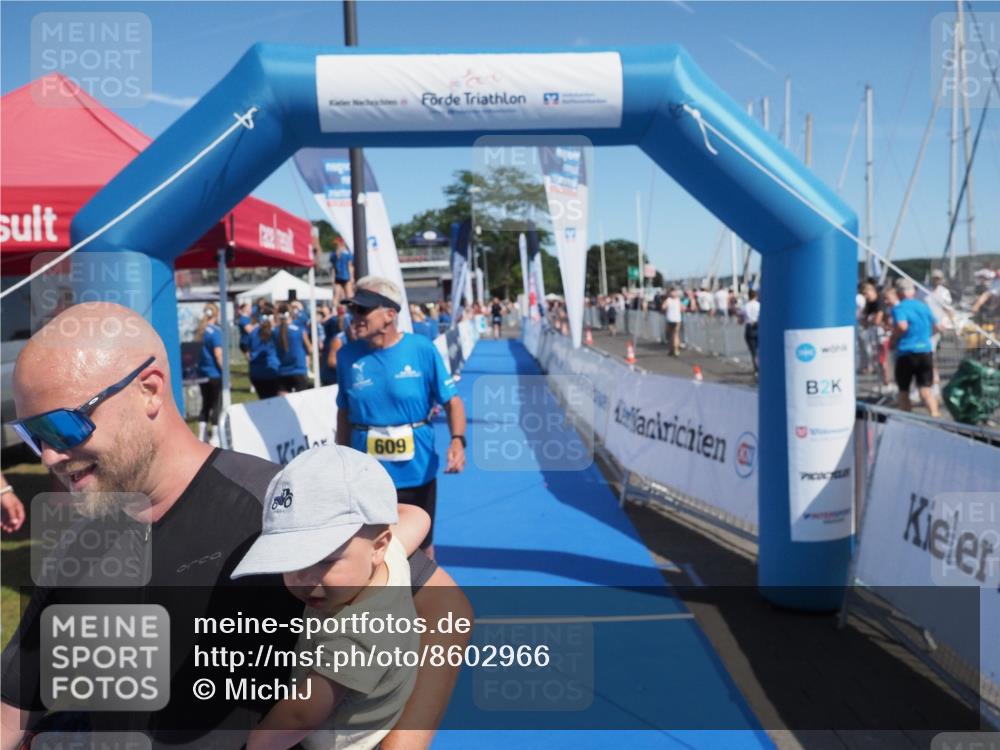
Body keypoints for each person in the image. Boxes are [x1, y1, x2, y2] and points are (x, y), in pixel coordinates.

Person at [1, 302, 471, 750]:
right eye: (33, 434)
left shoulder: (280, 508)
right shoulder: (78, 545)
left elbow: (448, 614)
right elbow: (12, 706)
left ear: (149, 390)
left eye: (64, 426)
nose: (49, 456)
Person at [234, 446, 428, 750]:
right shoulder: (387, 554)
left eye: (324, 560)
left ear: (378, 547)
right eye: (287, 559)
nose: (303, 578)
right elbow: (418, 516)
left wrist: (256, 744)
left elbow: (301, 716)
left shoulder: (358, 634)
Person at [335, 277, 467, 560]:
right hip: (366, 474)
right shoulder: (346, 356)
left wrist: (458, 440)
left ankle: (425, 588)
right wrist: (341, 458)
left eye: (362, 310)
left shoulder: (421, 349)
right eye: (352, 309)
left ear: (390, 314)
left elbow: (452, 402)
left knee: (420, 549)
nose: (354, 316)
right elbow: (344, 411)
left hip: (416, 471)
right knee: (368, 550)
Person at [890, 278, 940, 417]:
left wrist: (893, 339)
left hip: (906, 351)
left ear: (899, 293)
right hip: (925, 350)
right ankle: (935, 415)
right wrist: (925, 336)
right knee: (925, 389)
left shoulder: (899, 308)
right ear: (913, 292)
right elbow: (937, 326)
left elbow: (902, 326)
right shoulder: (924, 306)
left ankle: (906, 420)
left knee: (903, 390)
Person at [195, 303, 224, 444]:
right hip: (214, 374)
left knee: (205, 403)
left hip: (202, 373)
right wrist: (225, 371)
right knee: (216, 404)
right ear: (216, 315)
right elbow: (218, 355)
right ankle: (215, 436)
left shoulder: (200, 331)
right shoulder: (216, 332)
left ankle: (202, 435)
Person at [275, 302, 312, 394]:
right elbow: (310, 349)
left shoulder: (274, 331)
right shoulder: (299, 330)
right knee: (302, 401)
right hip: (298, 369)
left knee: (282, 401)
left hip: (282, 371)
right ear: (291, 314)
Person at [249, 304, 281, 399]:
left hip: (256, 373)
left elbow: (248, 349)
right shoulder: (276, 332)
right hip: (272, 371)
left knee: (263, 400)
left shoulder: (253, 332)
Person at [742, 289, 761, 378]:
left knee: (753, 352)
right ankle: (762, 368)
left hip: (749, 328)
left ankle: (757, 369)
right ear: (756, 296)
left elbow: (741, 318)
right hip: (759, 327)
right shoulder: (759, 305)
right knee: (760, 349)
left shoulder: (745, 306)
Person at [332, 239, 355, 304]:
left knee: (336, 295)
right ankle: (350, 308)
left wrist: (333, 279)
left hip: (338, 277)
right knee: (349, 295)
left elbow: (333, 268)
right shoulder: (347, 254)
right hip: (346, 276)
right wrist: (352, 277)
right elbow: (350, 266)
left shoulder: (334, 255)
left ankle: (334, 308)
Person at [663, 288, 683, 356]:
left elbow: (663, 307)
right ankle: (675, 349)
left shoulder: (668, 300)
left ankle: (673, 349)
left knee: (671, 334)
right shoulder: (678, 300)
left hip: (670, 319)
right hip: (677, 319)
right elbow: (683, 308)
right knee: (675, 334)